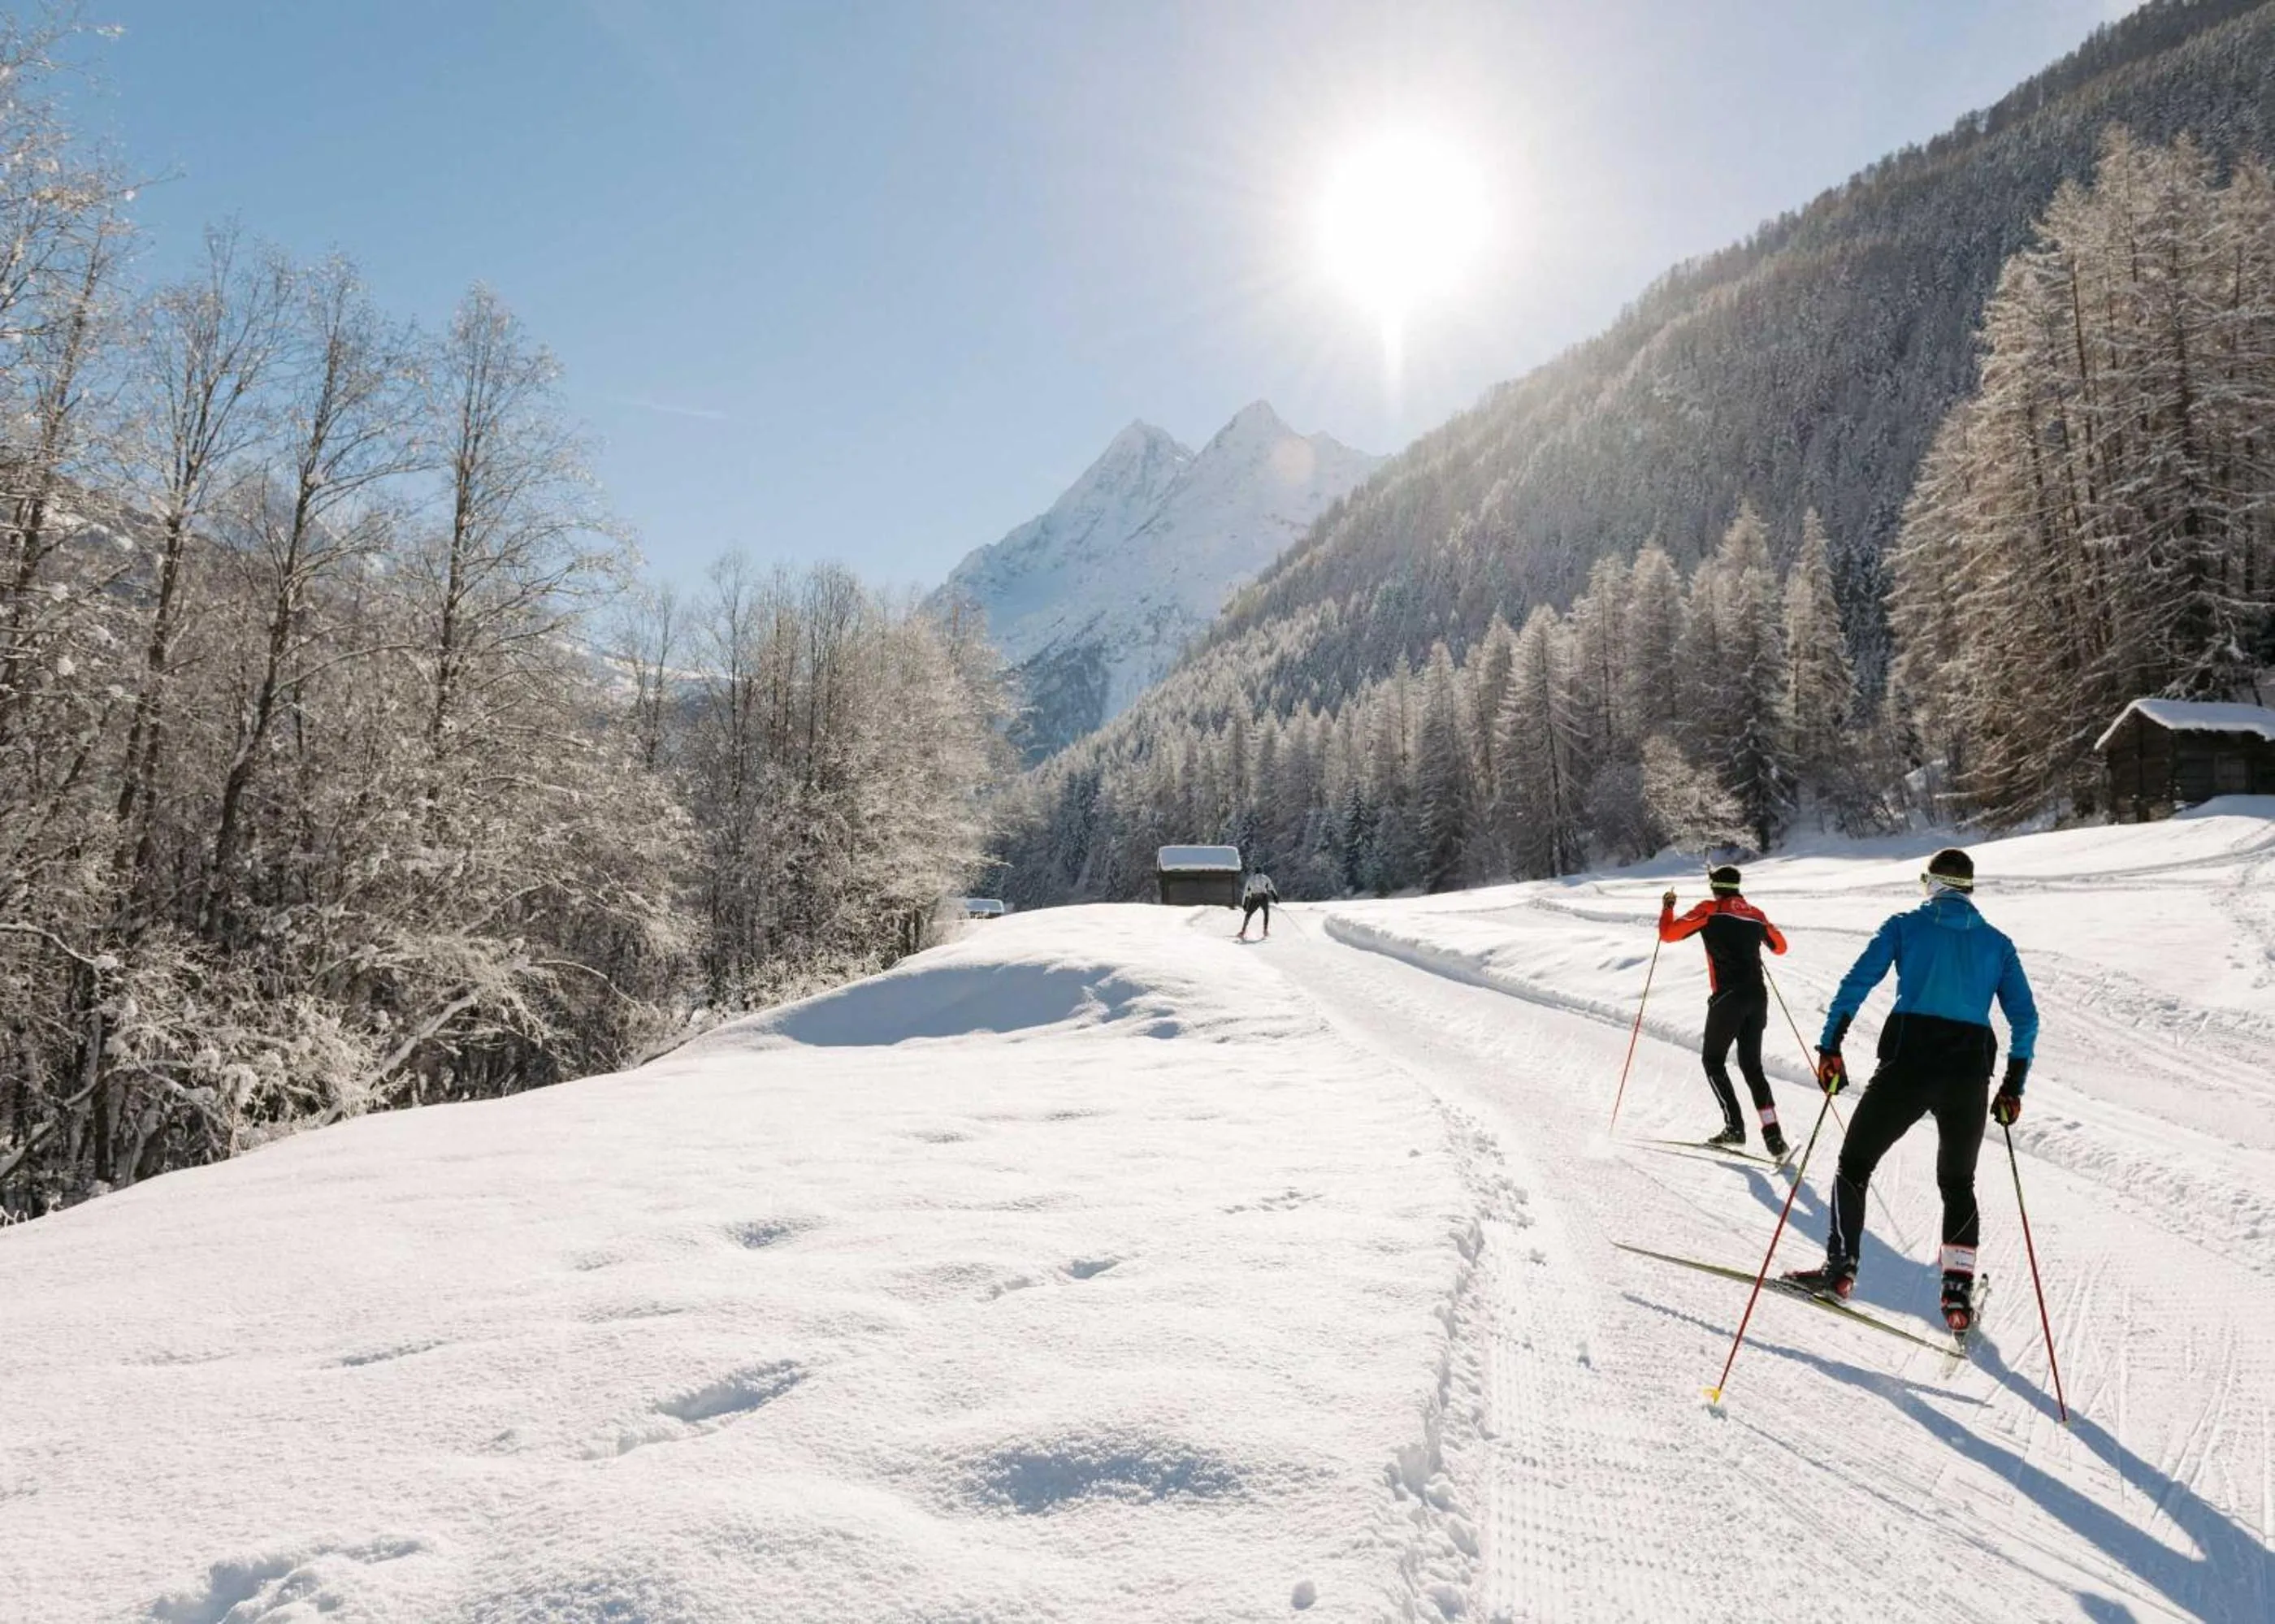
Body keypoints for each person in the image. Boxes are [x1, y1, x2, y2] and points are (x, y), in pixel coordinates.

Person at [1783, 846, 2039, 1334]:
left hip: (1908, 1066)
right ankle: (1956, 1296)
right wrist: (2012, 1085)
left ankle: (1840, 1271)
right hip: (1968, 1077)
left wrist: (1830, 1045)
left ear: (1933, 884)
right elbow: (2025, 1019)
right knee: (1957, 1184)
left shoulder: (1903, 926)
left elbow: (1856, 982)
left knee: (1854, 1165)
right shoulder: (1998, 945)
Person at [1658, 865, 1791, 1158]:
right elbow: (1780, 947)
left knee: (1713, 1061)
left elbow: (1668, 935)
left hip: (1728, 998)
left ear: (1714, 887)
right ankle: (1774, 1137)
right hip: (1758, 997)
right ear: (1737, 886)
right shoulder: (1755, 913)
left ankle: (1735, 1128)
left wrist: (1668, 907)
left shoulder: (1709, 909)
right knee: (1752, 1067)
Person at [1237, 870, 1279, 941]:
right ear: (1261, 872)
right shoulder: (1265, 878)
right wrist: (1275, 897)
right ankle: (1265, 930)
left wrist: (1244, 904)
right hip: (1263, 897)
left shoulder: (1251, 879)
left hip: (1254, 898)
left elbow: (1246, 892)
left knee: (1248, 914)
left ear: (1255, 872)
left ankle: (1243, 931)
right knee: (1266, 913)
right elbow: (1271, 888)